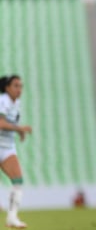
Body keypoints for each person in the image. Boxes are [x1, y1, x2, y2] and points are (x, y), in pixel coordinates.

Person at [0, 75, 32, 228]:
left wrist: (19, 132)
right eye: (16, 86)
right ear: (7, 88)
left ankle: (12, 217)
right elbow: (0, 123)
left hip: (7, 147)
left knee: (17, 180)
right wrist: (20, 129)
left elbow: (10, 123)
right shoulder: (3, 100)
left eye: (21, 86)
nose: (19, 89)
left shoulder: (16, 103)